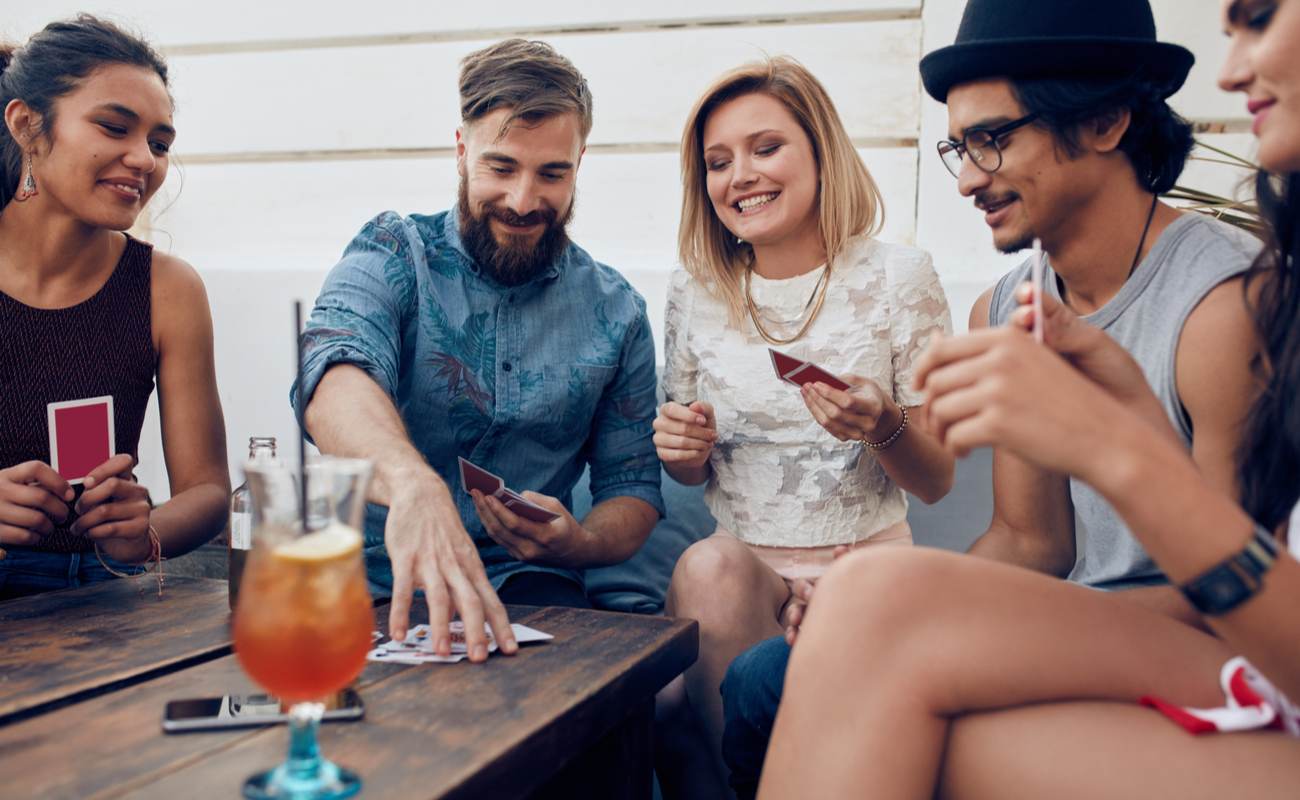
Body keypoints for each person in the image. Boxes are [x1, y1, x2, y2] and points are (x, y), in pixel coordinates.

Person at [718, 1, 1266, 793]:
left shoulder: (1222, 309)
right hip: (1076, 626)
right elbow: (1031, 541)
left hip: (1207, 654)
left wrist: (920, 616)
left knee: (849, 652)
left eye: (993, 138)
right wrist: (884, 609)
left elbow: (1236, 601)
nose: (971, 176)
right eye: (958, 146)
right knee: (768, 675)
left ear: (1108, 120)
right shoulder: (1007, 306)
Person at [294, 39, 663, 661]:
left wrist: (580, 542)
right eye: (501, 167)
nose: (523, 201)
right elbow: (332, 376)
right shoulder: (393, 250)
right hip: (363, 576)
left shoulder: (617, 310)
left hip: (530, 587)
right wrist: (414, 486)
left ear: (580, 163)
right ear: (461, 153)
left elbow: (632, 487)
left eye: (552, 174)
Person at [653, 57, 954, 797]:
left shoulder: (899, 277)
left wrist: (885, 427)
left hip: (865, 572)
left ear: (820, 151)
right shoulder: (695, 288)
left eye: (766, 148)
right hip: (739, 581)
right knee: (707, 567)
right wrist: (681, 450)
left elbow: (940, 479)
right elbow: (690, 467)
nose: (740, 176)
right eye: (717, 163)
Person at [0, 16, 229, 601]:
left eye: (159, 143)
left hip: (98, 600)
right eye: (114, 127)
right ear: (27, 125)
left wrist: (143, 531)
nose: (145, 160)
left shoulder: (167, 288)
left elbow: (206, 492)